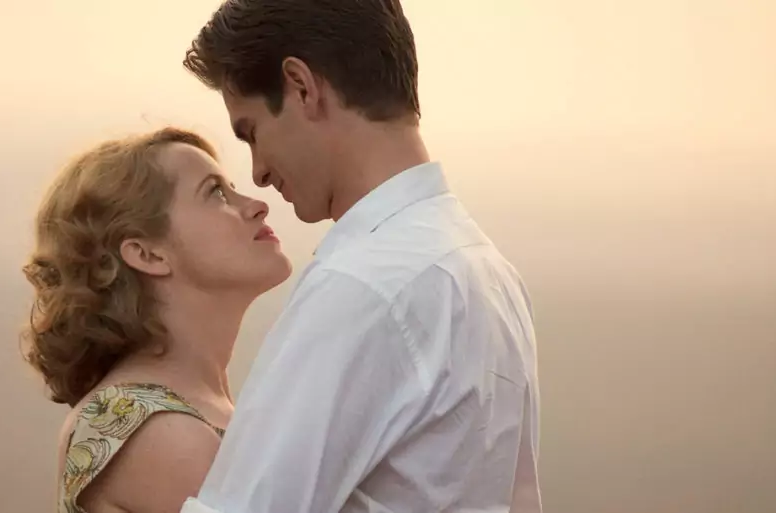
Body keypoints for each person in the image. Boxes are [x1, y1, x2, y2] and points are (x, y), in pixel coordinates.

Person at [178, 1, 543, 512]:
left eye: (252, 131)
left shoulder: (361, 283)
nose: (257, 171)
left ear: (301, 87)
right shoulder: (487, 269)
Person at [20, 127, 292, 513]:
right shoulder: (155, 428)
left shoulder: (191, 414)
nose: (257, 205)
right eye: (216, 193)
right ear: (147, 254)